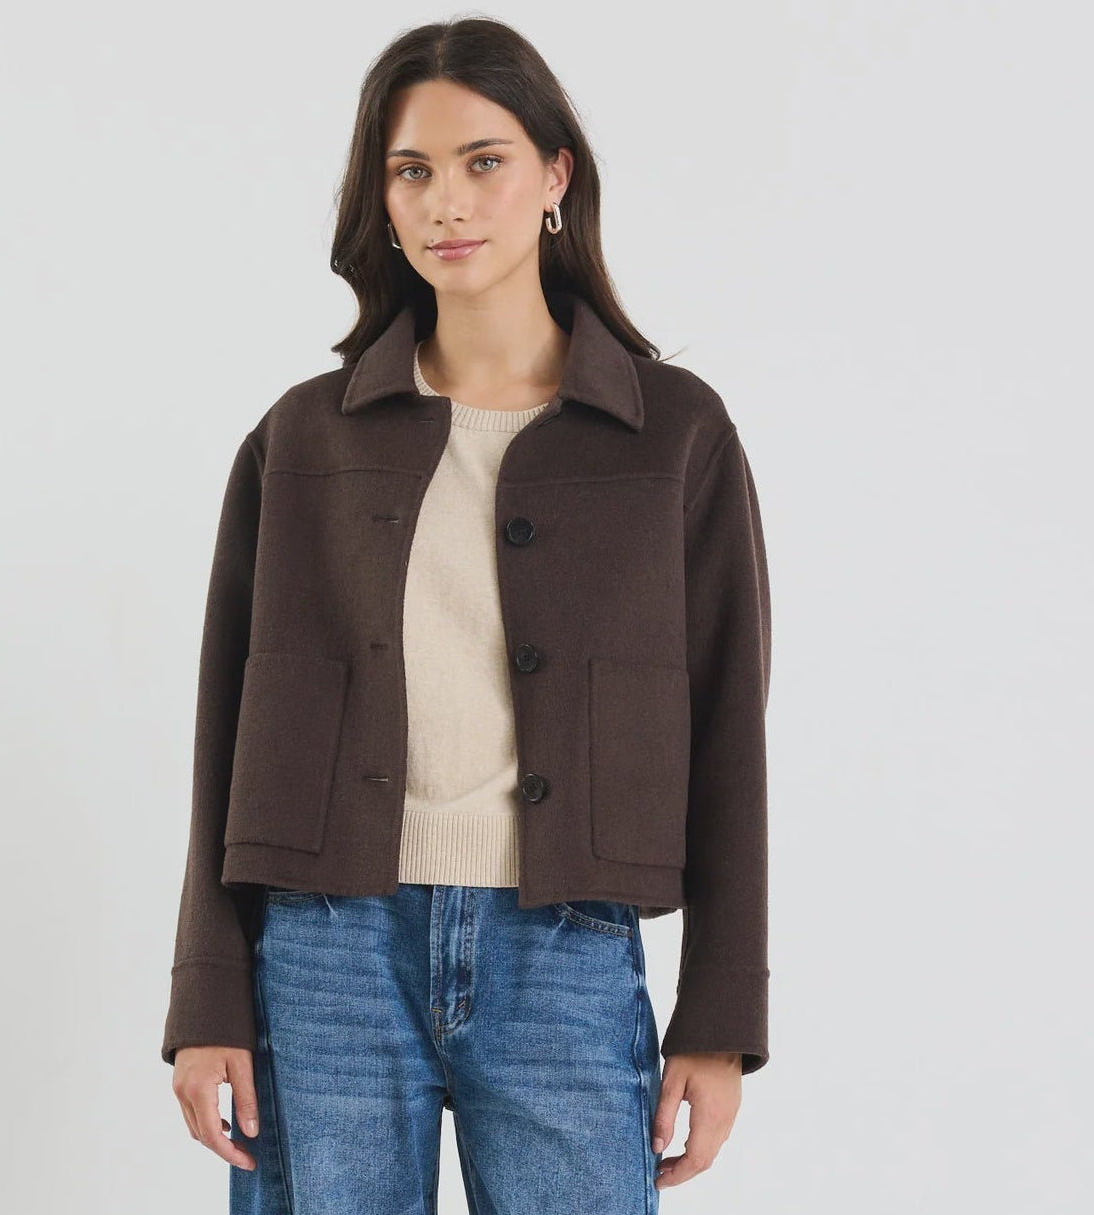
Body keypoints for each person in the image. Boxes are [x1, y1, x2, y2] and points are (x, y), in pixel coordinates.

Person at [164, 17, 772, 1214]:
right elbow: (226, 729)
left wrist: (718, 1018)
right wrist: (207, 998)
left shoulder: (674, 436)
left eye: (483, 161)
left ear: (554, 177)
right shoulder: (303, 439)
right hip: (325, 957)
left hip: (565, 952)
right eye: (411, 171)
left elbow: (729, 732)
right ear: (381, 201)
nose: (446, 201)